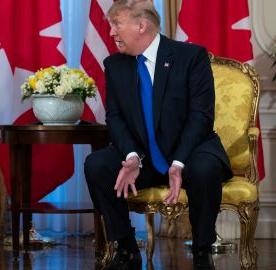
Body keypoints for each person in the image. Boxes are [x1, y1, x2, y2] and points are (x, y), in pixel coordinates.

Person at [84, 1, 232, 269]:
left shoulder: (190, 57)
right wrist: (131, 156)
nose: (111, 33)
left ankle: (201, 252)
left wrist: (178, 163)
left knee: (205, 169)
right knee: (97, 165)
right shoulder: (115, 65)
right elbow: (115, 118)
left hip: (190, 151)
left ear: (141, 26)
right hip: (145, 157)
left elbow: (201, 116)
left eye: (116, 24)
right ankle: (127, 249)